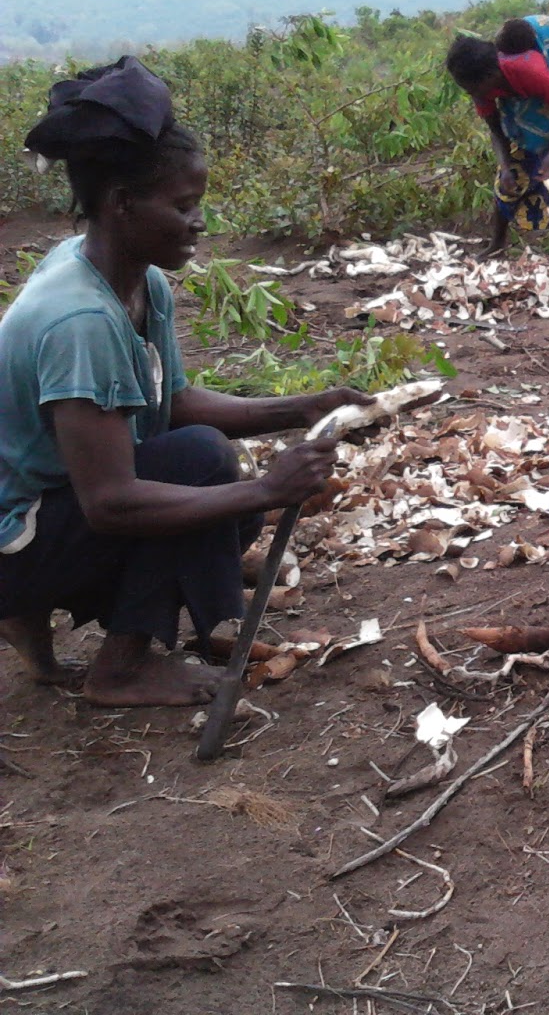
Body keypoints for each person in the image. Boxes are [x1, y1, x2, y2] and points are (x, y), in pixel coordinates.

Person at [0, 57, 368, 707]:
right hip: (22, 530)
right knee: (204, 466)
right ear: (121, 203)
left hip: (38, 505)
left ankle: (30, 617)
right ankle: (119, 669)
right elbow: (109, 503)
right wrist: (264, 490)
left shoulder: (135, 279)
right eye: (183, 206)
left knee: (201, 466)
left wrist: (309, 407)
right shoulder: (81, 320)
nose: (199, 222)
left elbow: (170, 403)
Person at [445, 16, 549, 256]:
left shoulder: (531, 72)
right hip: (519, 97)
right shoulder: (481, 86)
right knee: (509, 181)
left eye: (472, 89)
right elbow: (496, 130)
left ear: (489, 77)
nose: (472, 95)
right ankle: (497, 244)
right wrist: (505, 166)